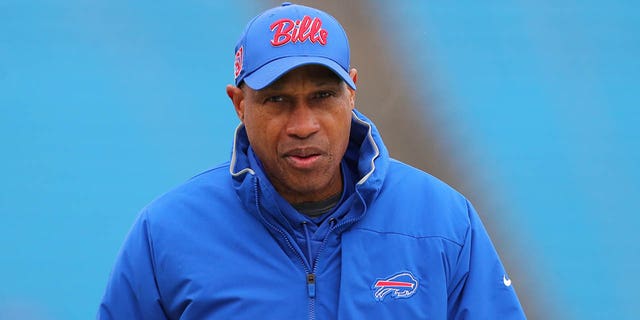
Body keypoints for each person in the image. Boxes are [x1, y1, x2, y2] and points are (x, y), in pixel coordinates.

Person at [98, 2, 526, 319]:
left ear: (351, 92)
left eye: (322, 96)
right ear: (239, 105)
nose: (303, 125)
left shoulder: (443, 223)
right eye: (277, 100)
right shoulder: (167, 234)